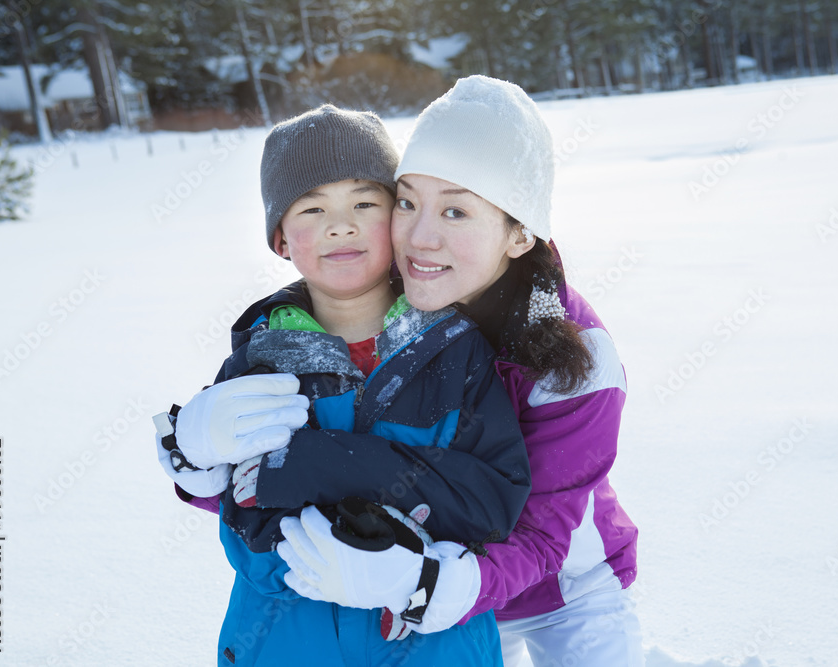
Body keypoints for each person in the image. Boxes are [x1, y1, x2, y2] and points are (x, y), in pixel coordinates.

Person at [276, 76, 644, 667]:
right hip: (422, 596)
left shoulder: (578, 359)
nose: (420, 237)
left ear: (519, 232)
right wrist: (203, 464)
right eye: (407, 201)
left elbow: (545, 536)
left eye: (456, 209)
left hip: (562, 592)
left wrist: (428, 585)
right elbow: (315, 457)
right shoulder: (386, 310)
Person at [154, 104, 532, 666]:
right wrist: (311, 568)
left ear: (397, 219)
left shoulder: (457, 348)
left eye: (364, 202)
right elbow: (244, 512)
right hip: (287, 641)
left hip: (430, 646)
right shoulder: (261, 360)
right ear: (281, 238)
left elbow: (492, 500)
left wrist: (400, 566)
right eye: (311, 208)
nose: (341, 224)